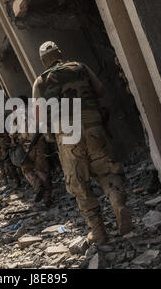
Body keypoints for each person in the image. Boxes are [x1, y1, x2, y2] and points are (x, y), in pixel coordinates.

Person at [32, 41, 133, 244]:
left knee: (79, 183)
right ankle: (117, 202)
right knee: (107, 171)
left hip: (68, 135)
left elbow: (39, 116)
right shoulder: (80, 67)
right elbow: (100, 92)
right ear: (61, 53)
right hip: (94, 127)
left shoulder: (41, 82)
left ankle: (99, 232)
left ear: (43, 61)